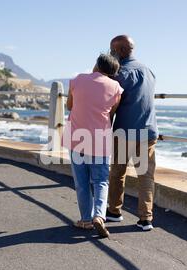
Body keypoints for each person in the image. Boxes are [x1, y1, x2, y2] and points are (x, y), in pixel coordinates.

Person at [64, 54, 124, 238]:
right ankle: (99, 216)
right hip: (100, 140)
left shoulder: (77, 80)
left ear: (96, 65)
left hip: (76, 138)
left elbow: (69, 106)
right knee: (100, 181)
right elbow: (111, 113)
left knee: (81, 183)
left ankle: (85, 220)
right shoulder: (115, 87)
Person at [107, 35, 158, 232]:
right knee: (146, 176)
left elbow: (111, 104)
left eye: (112, 50)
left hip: (125, 131)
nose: (111, 54)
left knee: (118, 173)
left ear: (119, 51)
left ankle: (114, 211)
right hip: (148, 130)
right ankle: (146, 219)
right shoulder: (149, 71)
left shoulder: (119, 74)